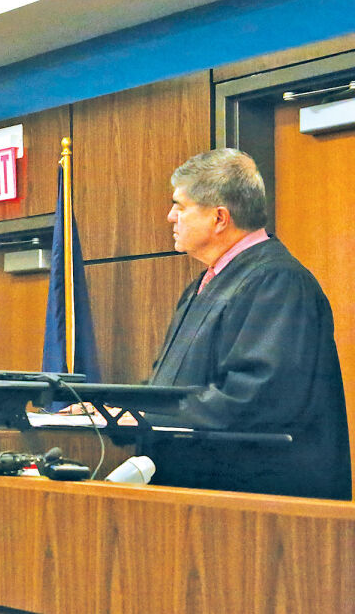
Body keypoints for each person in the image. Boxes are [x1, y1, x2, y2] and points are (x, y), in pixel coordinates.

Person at [144, 148, 350, 499]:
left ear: (219, 218)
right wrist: (116, 406)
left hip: (259, 504)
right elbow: (177, 383)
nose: (170, 216)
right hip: (201, 495)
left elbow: (257, 398)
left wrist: (147, 415)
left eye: (180, 205)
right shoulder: (207, 282)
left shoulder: (277, 281)